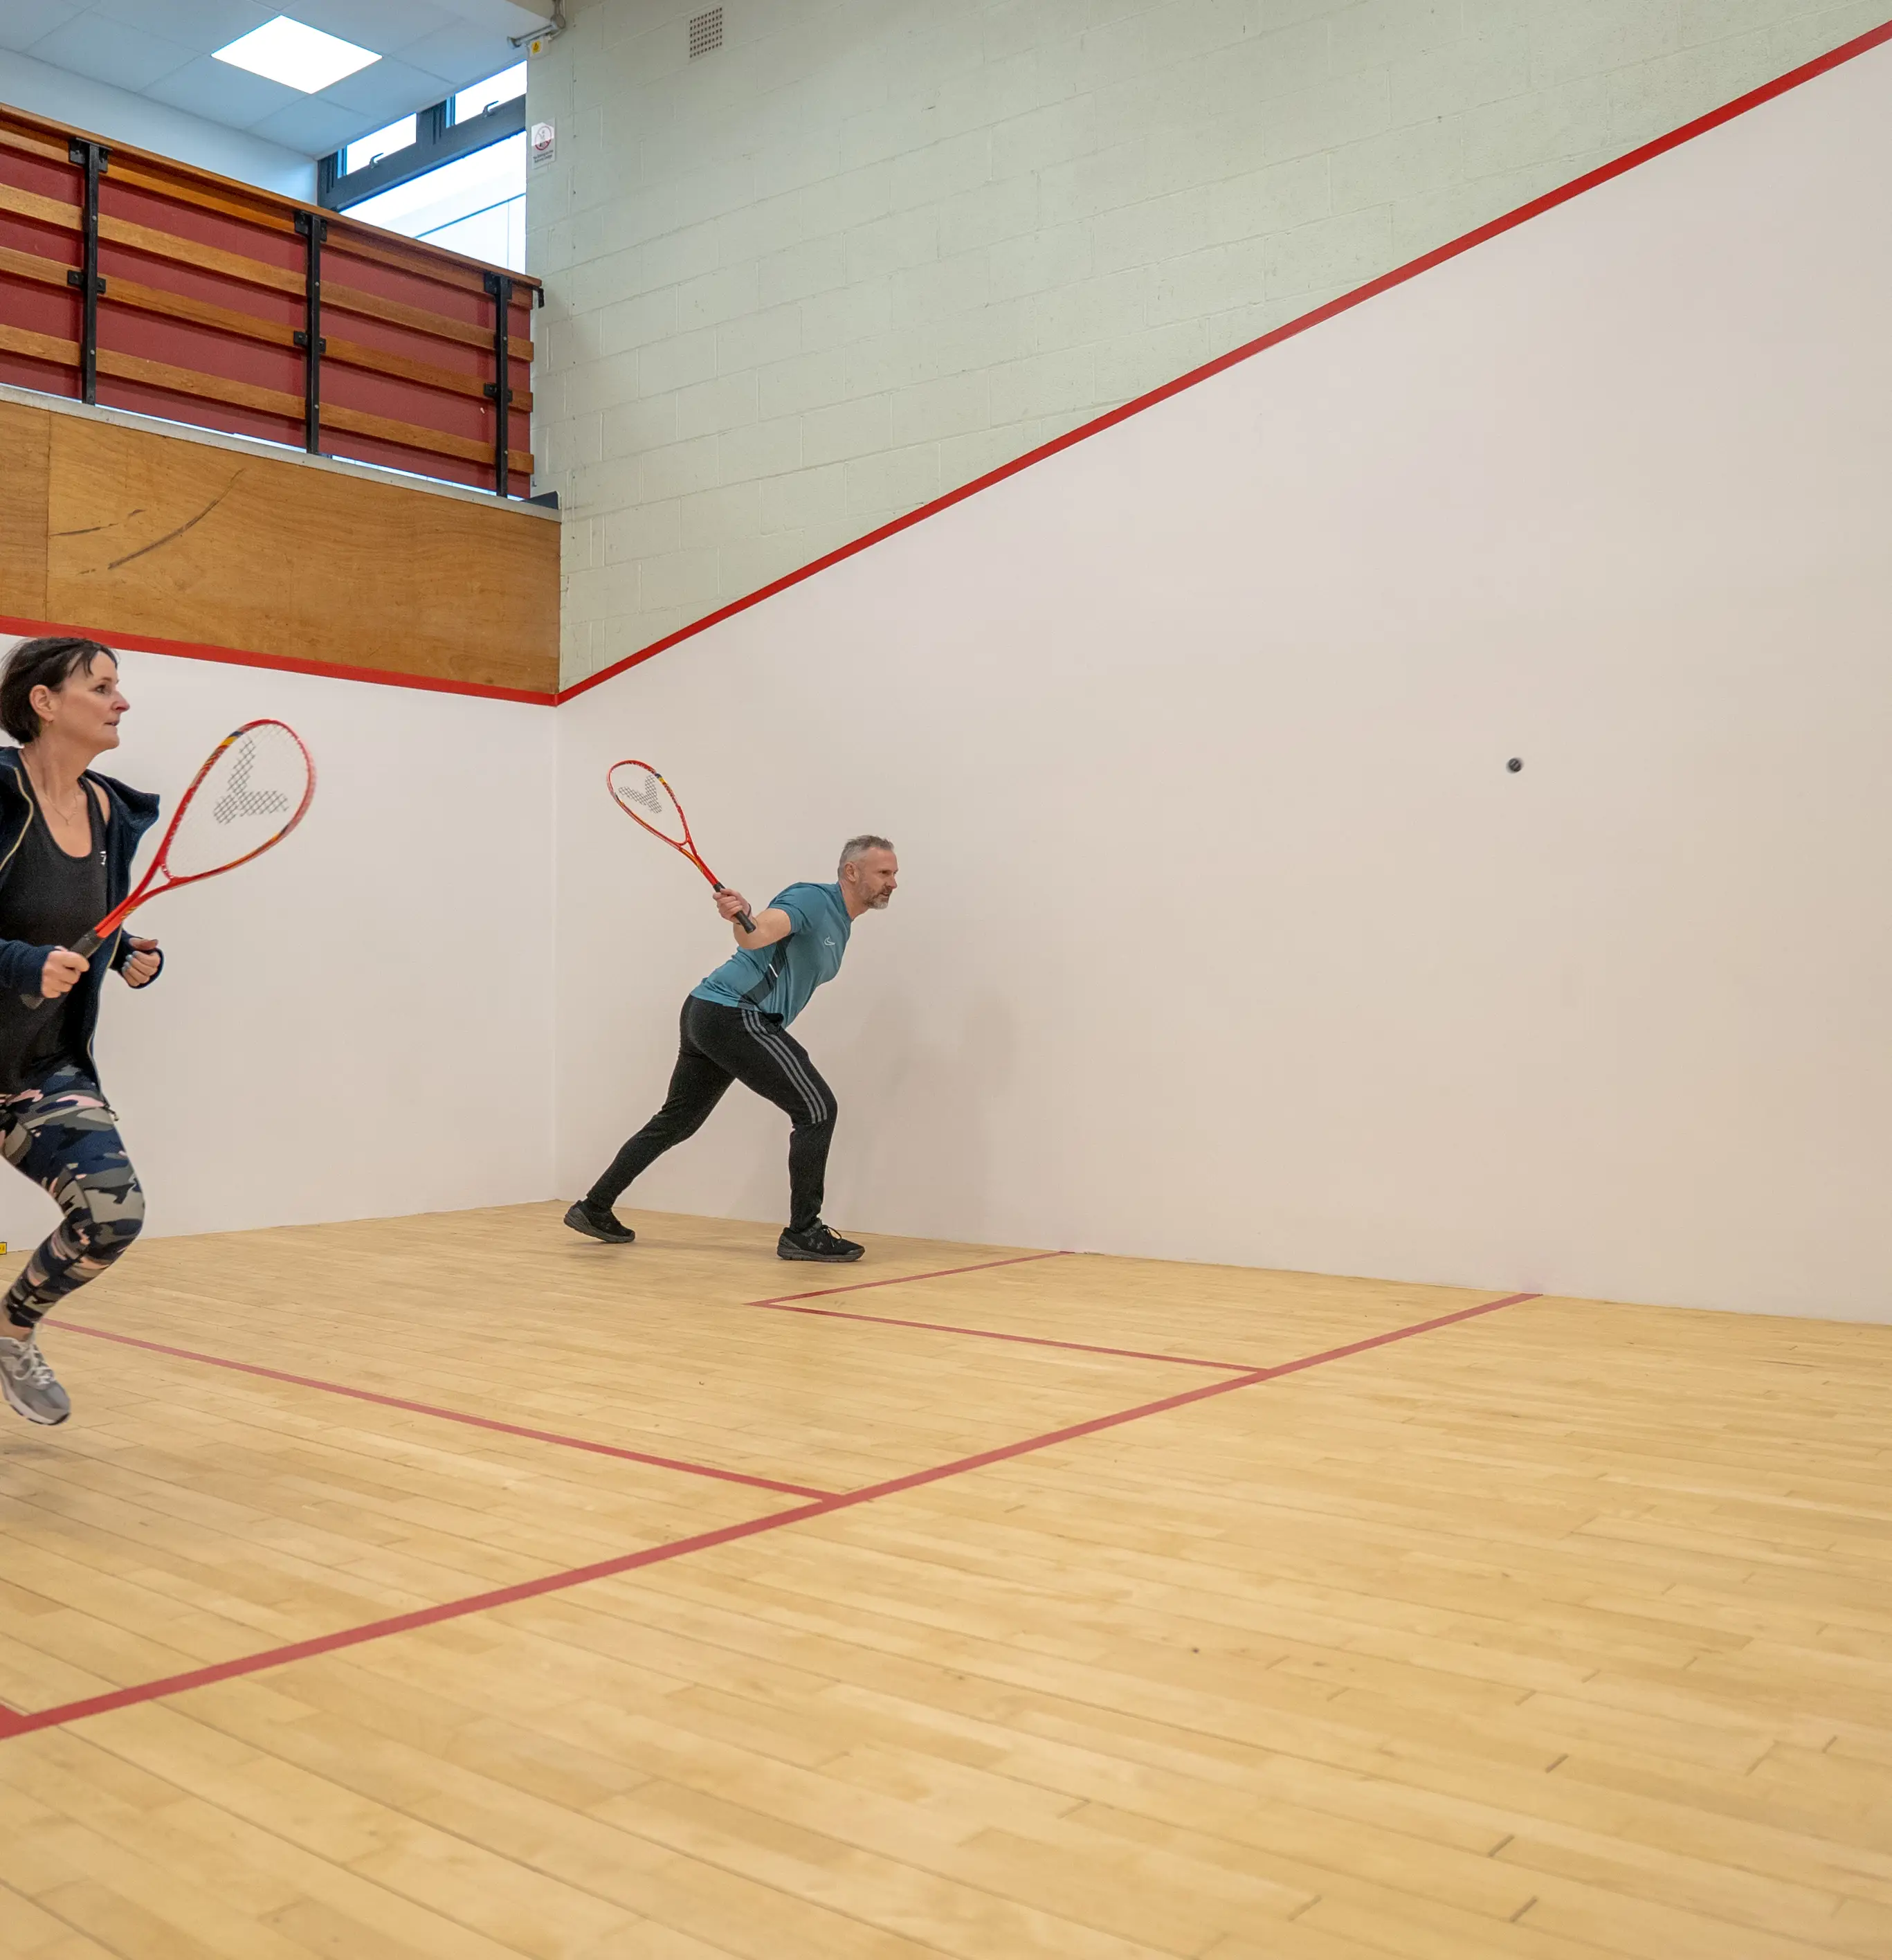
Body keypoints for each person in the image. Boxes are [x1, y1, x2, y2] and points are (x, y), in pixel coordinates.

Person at [567, 834, 898, 1262]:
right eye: (884, 873)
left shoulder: (842, 922)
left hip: (709, 1011)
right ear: (852, 872)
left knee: (677, 1120)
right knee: (817, 1110)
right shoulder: (814, 900)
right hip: (734, 1013)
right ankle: (804, 1232)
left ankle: (594, 1207)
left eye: (894, 873)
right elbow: (758, 935)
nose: (893, 883)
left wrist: (750, 923)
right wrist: (744, 917)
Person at [0, 637, 163, 1426]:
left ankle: (10, 1330)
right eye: (102, 687)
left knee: (111, 1213)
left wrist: (125, 953)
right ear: (44, 701)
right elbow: (29, 944)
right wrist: (23, 963)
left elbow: (77, 927)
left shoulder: (107, 810)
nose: (120, 700)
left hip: (35, 1070)